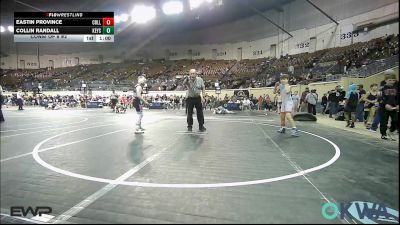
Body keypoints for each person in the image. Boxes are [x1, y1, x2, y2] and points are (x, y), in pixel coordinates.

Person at [379, 72, 398, 140]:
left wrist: (398, 104)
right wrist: (385, 104)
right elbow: (380, 98)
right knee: (384, 121)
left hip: (393, 107)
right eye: (390, 80)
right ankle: (383, 134)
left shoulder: (396, 88)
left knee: (396, 119)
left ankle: (391, 131)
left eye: (393, 80)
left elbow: (397, 97)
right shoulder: (382, 88)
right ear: (386, 80)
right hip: (384, 108)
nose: (392, 81)